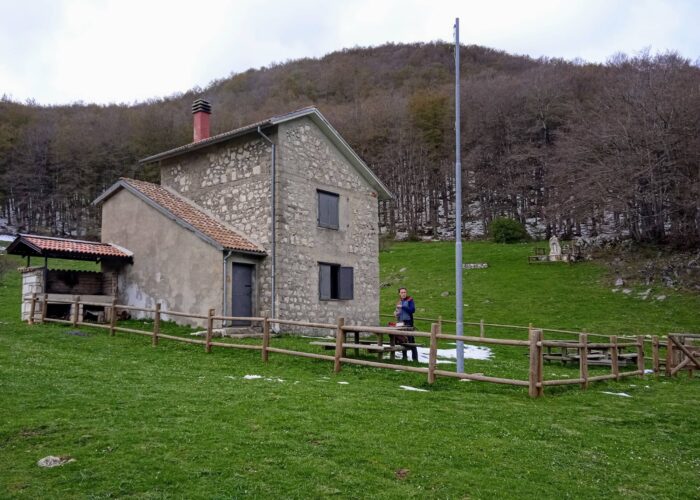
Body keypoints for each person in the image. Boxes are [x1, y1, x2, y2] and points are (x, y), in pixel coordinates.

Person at [393, 287, 418, 361]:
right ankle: (404, 357)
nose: (403, 294)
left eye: (404, 292)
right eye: (402, 292)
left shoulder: (410, 300)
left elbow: (412, 310)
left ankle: (415, 358)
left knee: (411, 340)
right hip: (400, 323)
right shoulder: (399, 302)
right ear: (399, 294)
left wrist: (403, 306)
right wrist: (395, 313)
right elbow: (398, 312)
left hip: (408, 322)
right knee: (402, 340)